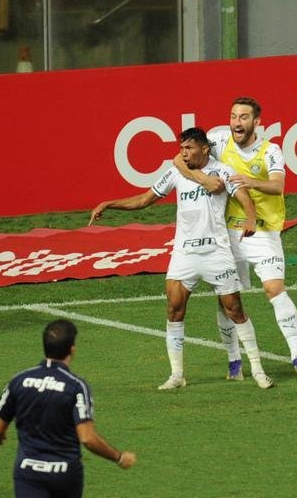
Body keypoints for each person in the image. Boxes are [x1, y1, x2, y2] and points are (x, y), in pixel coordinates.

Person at [89, 127, 274, 390]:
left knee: (236, 310)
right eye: (182, 148)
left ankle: (257, 370)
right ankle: (177, 375)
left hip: (215, 253)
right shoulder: (176, 171)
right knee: (174, 311)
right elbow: (144, 199)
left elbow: (242, 195)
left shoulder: (220, 171)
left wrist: (251, 217)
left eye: (189, 148)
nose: (183, 153)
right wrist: (109, 204)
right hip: (184, 254)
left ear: (204, 148)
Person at [0, 319, 136, 498]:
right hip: (64, 475)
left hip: (28, 472)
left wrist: (1, 439)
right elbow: (87, 437)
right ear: (72, 349)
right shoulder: (75, 386)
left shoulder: (20, 380)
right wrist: (118, 457)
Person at [206, 96, 297, 379]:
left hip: (263, 231)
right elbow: (184, 155)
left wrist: (251, 181)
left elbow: (278, 186)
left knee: (274, 289)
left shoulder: (270, 151)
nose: (236, 122)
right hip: (228, 233)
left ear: (256, 122)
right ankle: (234, 362)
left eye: (243, 117)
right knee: (226, 298)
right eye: (233, 116)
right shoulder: (217, 140)